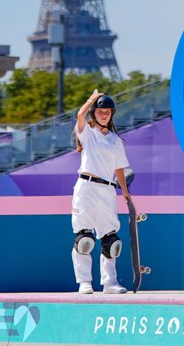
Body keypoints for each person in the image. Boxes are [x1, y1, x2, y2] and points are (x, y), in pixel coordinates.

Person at [71, 90, 132, 295]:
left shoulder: (115, 140)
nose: (104, 115)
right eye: (100, 111)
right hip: (86, 187)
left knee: (110, 240)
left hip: (107, 189)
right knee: (85, 239)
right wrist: (91, 99)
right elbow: (80, 116)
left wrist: (124, 191)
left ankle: (110, 283)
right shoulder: (87, 134)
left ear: (111, 114)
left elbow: (119, 168)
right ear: (94, 113)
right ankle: (85, 282)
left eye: (107, 112)